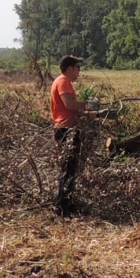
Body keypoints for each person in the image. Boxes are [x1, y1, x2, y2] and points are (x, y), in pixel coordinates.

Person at [50, 55, 98, 217]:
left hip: (67, 129)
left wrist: (87, 113)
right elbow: (69, 104)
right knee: (68, 169)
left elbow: (70, 109)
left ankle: (67, 205)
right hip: (66, 130)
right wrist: (88, 104)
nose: (79, 71)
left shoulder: (62, 81)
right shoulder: (63, 81)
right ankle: (62, 208)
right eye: (78, 68)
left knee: (70, 169)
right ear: (70, 68)